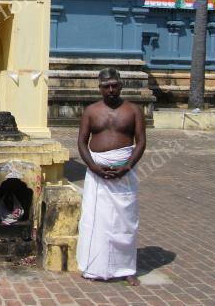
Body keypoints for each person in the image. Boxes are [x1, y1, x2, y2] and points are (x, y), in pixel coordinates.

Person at [76, 67, 146, 285]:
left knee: (125, 221)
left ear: (121, 85)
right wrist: (93, 167)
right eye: (106, 86)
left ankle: (126, 268)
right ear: (100, 87)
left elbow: (141, 142)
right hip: (98, 171)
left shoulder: (133, 110)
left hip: (124, 172)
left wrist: (127, 167)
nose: (111, 89)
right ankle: (94, 266)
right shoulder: (91, 111)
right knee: (96, 220)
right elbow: (82, 142)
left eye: (115, 85)